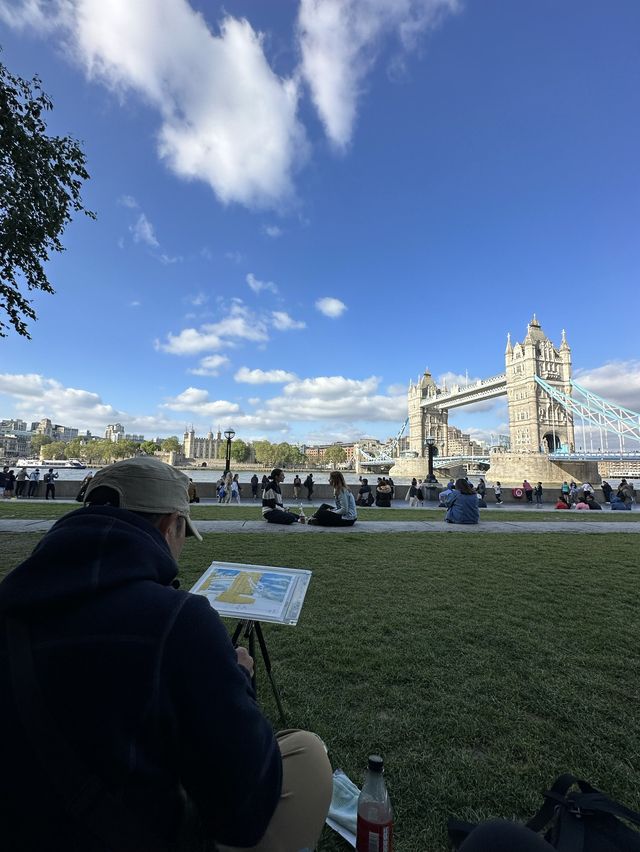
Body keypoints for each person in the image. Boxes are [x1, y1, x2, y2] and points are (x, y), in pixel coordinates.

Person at [0, 456, 332, 851]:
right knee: (308, 753)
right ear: (170, 524)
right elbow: (242, 807)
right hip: (133, 829)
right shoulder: (179, 621)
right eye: (183, 535)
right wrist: (240, 677)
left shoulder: (12, 603)